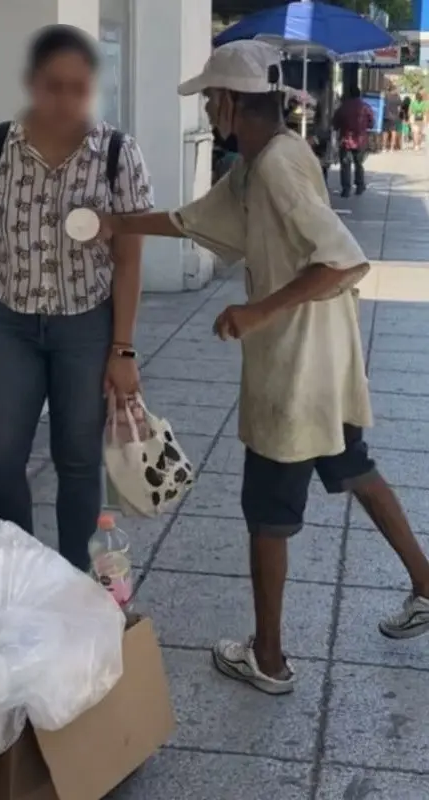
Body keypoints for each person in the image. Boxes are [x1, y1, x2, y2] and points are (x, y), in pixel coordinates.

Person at [97, 41, 429, 695]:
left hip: (297, 373)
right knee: (356, 469)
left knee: (266, 513)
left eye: (209, 99)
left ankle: (269, 658)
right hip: (321, 366)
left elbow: (343, 260)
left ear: (228, 103)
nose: (208, 109)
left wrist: (255, 313)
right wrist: (115, 221)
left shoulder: (276, 168)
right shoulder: (260, 163)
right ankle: (426, 583)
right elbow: (195, 220)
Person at [0, 25, 153, 571]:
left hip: (85, 326)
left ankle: (74, 586)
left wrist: (123, 350)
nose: (66, 101)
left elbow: (130, 259)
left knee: (79, 462)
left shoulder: (116, 153)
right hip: (9, 324)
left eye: (78, 88)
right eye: (54, 86)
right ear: (33, 84)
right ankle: (23, 574)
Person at [331, 83, 372, 197]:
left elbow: (335, 123)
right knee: (359, 163)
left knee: (345, 165)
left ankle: (346, 189)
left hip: (346, 140)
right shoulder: (366, 107)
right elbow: (371, 123)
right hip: (361, 140)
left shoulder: (343, 107)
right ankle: (360, 186)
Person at [382, 84, 402, 151]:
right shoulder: (397, 97)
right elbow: (399, 109)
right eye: (396, 89)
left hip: (386, 116)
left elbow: (382, 105)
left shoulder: (386, 96)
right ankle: (391, 148)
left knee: (385, 132)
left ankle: (384, 147)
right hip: (394, 117)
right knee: (393, 132)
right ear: (394, 89)